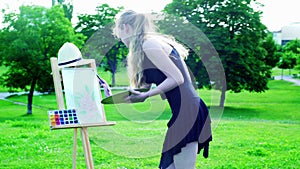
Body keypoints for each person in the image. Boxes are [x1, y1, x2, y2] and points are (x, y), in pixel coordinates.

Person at [112, 10, 212, 169]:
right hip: (182, 112)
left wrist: (148, 94)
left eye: (118, 32)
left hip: (189, 112)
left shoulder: (149, 44)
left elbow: (177, 78)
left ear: (125, 28)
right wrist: (116, 95)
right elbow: (145, 86)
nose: (119, 37)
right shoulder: (143, 49)